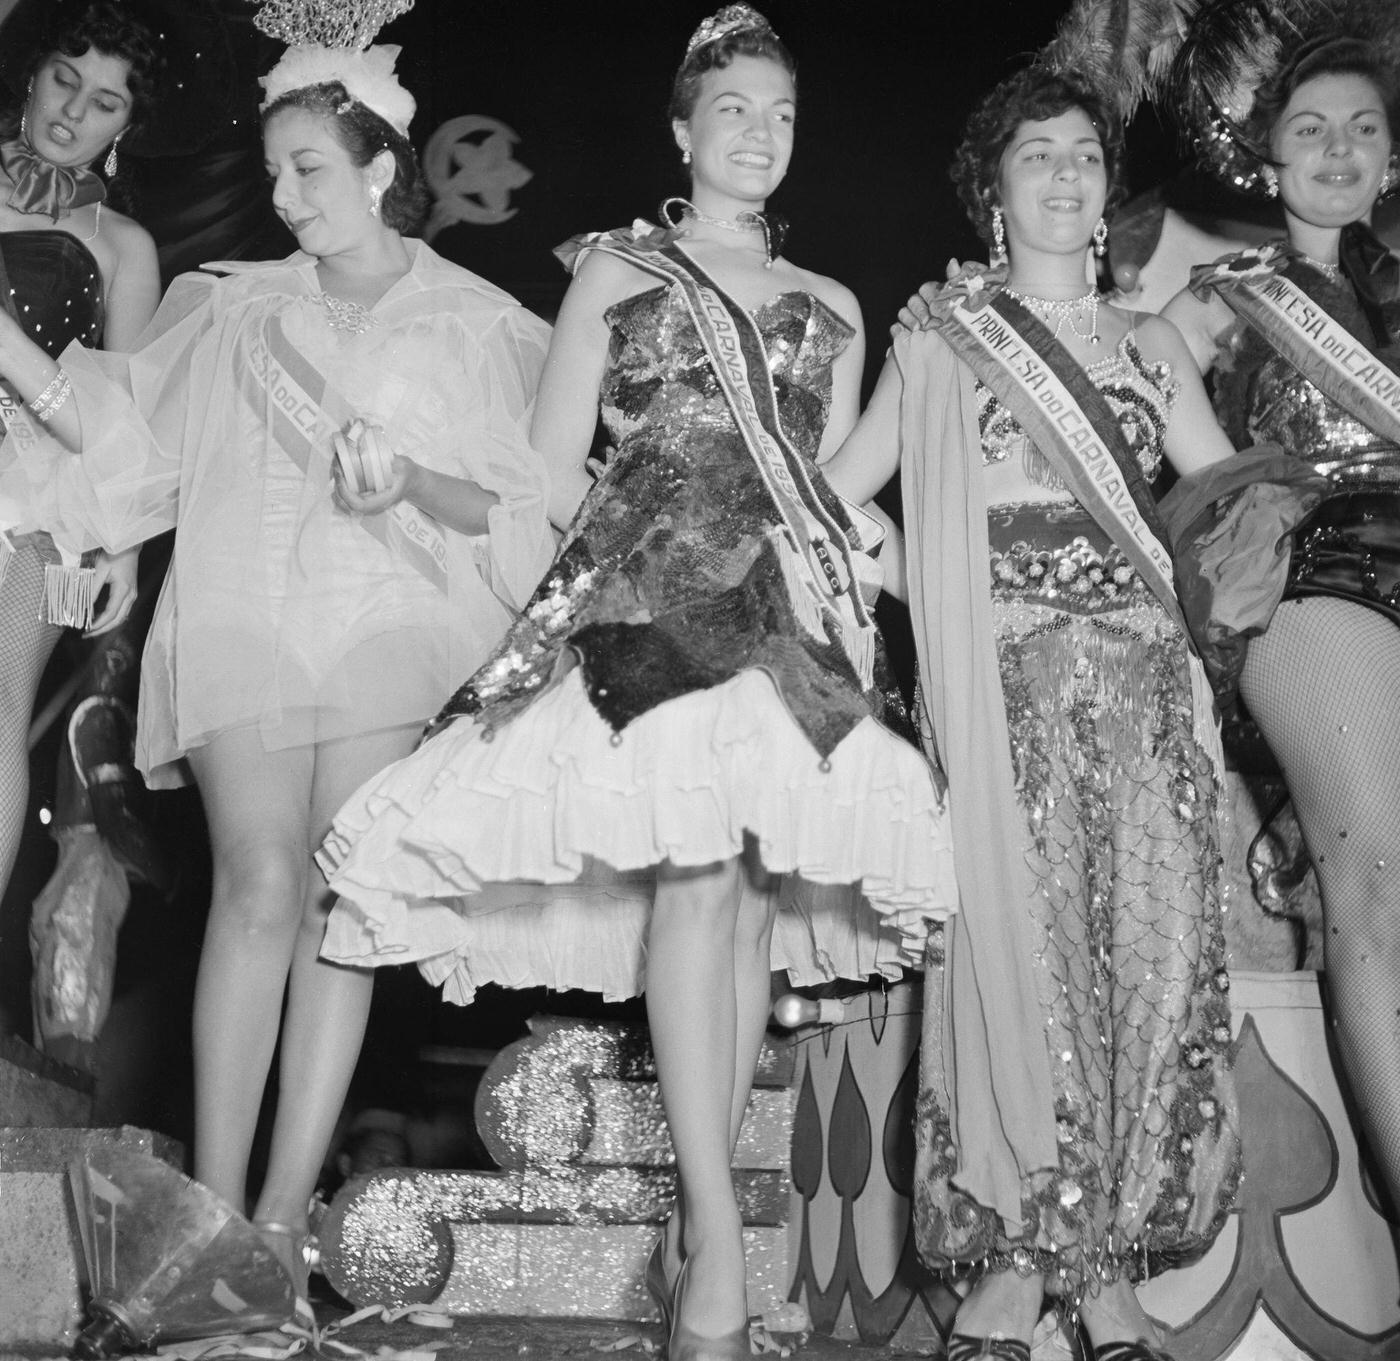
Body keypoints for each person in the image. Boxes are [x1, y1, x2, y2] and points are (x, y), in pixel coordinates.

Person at [316, 7, 954, 1357]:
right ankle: (718, 1243)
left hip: (779, 613)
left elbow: (831, 497)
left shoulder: (834, 307)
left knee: (738, 921)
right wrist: (422, 498)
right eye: (733, 111)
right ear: (681, 129)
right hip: (652, 592)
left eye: (781, 114)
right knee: (701, 882)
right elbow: (551, 474)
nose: (759, 136)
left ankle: (697, 1230)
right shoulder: (615, 271)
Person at [0, 38, 552, 1325]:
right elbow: (122, 437)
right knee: (253, 882)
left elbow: (516, 516)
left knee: (334, 899)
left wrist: (407, 479)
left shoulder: (475, 322)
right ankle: (212, 1213)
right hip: (248, 609)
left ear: (378, 165)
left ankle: (281, 1223)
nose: (287, 195)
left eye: (308, 168)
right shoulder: (234, 302)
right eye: (273, 172)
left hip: (386, 627)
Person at [822, 64, 1242, 1361]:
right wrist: (903, 579)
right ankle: (1014, 1260)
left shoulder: (1155, 343)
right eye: (1034, 157)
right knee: (1021, 975)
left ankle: (1107, 1271)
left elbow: (1230, 514)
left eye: (1082, 155)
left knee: (1145, 972)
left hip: (1148, 700)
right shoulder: (944, 338)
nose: (1064, 174)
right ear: (992, 192)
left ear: (1108, 188)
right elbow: (844, 490)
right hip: (1005, 703)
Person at [1160, 10, 1400, 1216]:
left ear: (1392, 159)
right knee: (1374, 883)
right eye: (1309, 129)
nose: (1337, 148)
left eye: (1363, 129)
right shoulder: (1230, 292)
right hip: (1328, 569)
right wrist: (1235, 476)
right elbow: (1134, 356)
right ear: (1269, 158)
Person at [0, 0, 161, 917]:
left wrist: (125, 552)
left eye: (105, 102)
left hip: (29, 498)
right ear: (31, 74)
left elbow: (122, 427)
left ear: (125, 127)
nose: (73, 112)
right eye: (67, 79)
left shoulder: (124, 246)